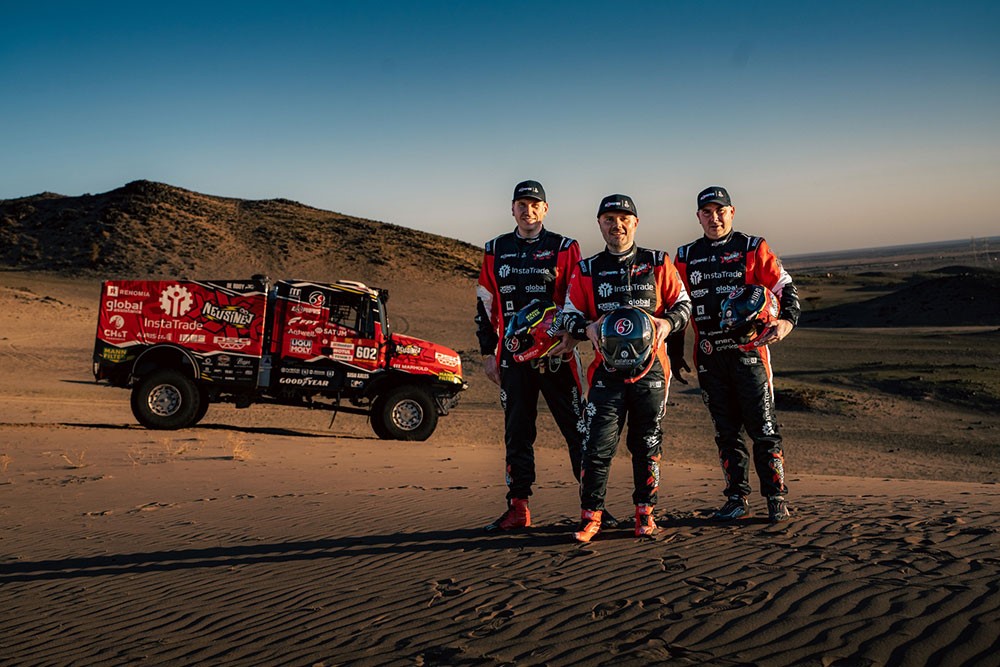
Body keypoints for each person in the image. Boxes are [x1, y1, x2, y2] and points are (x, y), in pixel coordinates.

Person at [560, 194, 691, 542]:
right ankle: (590, 517)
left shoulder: (657, 261)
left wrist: (667, 323)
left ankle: (645, 513)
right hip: (605, 374)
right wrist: (585, 327)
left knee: (646, 444)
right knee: (596, 447)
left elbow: (683, 304)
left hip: (652, 371)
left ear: (635, 223)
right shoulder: (587, 269)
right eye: (608, 219)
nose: (616, 225)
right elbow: (568, 314)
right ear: (599, 224)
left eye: (623, 219)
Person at [668, 186, 801, 523]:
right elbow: (677, 304)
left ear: (732, 212)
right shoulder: (685, 255)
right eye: (707, 212)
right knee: (726, 434)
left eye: (720, 211)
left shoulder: (752, 247)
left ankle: (776, 498)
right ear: (698, 217)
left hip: (750, 356)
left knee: (764, 429)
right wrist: (675, 351)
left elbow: (784, 285)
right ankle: (736, 498)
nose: (714, 218)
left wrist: (787, 321)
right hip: (709, 358)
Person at [476, 180, 595, 532]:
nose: (528, 211)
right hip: (513, 359)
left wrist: (573, 335)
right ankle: (518, 509)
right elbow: (485, 302)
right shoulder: (495, 249)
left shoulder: (564, 247)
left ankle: (593, 508)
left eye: (534, 205)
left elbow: (578, 295)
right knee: (517, 433)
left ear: (545, 209)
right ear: (512, 209)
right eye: (521, 205)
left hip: (557, 357)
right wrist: (488, 353)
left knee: (579, 431)